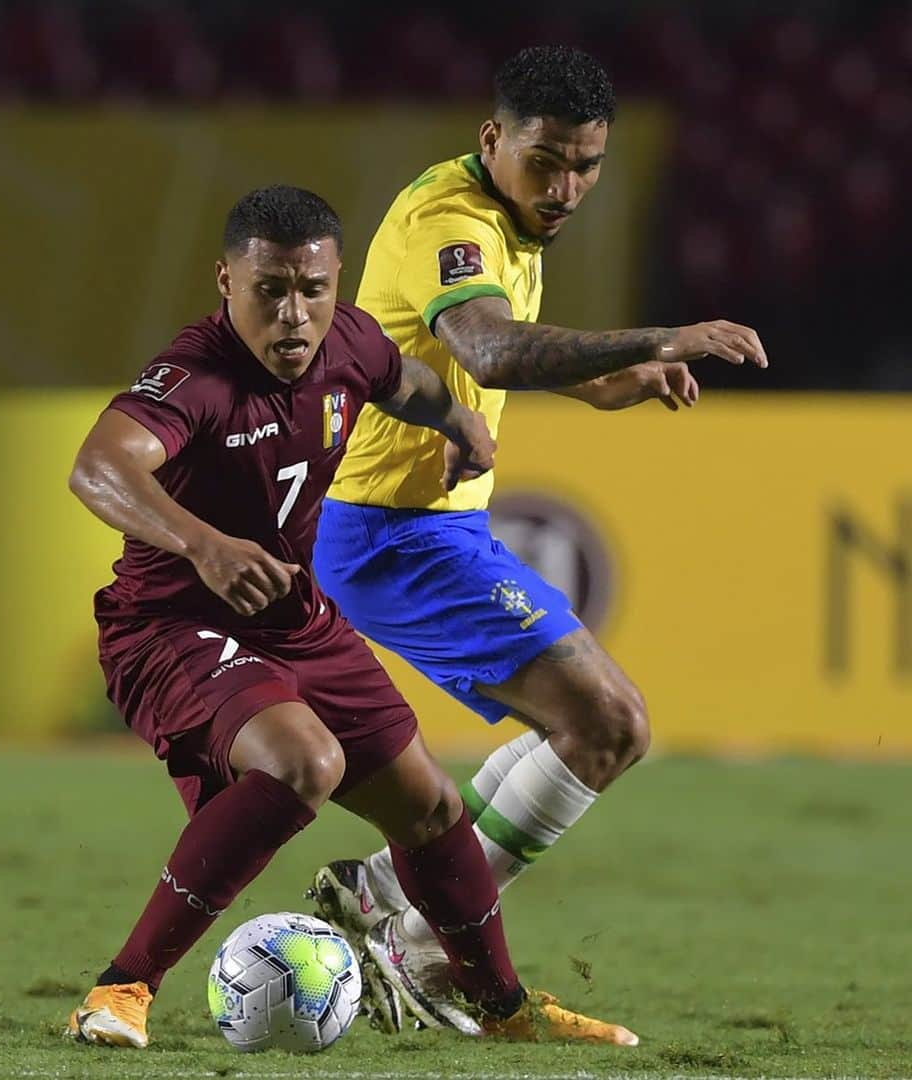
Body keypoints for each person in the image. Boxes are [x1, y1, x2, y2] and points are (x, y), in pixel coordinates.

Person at [62, 184, 637, 1049]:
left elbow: (402, 379)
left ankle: (503, 1011)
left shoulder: (346, 341)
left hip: (292, 613)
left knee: (434, 810)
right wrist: (203, 545)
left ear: (336, 284)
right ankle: (121, 989)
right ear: (224, 281)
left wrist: (460, 425)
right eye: (270, 291)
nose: (294, 316)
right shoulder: (197, 378)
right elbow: (98, 468)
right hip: (171, 621)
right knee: (306, 762)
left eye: (313, 290)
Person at [308, 45, 768, 1032]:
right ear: (493, 138)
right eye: (547, 160)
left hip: (430, 529)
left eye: (586, 166)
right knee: (606, 727)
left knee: (588, 729)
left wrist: (611, 382)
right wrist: (657, 338)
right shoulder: (453, 221)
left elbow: (488, 353)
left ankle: (387, 893)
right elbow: (488, 347)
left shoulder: (511, 220)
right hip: (391, 533)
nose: (564, 188)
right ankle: (427, 951)